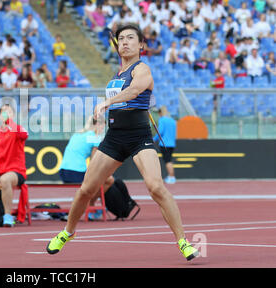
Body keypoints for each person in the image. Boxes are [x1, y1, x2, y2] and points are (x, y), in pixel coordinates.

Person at [46, 23, 199, 261]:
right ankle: (67, 233)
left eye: (130, 38)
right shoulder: (116, 76)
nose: (125, 42)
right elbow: (122, 98)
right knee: (86, 189)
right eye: (121, 39)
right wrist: (103, 112)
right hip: (114, 137)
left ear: (141, 45)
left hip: (139, 137)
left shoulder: (142, 69)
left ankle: (183, 241)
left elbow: (136, 90)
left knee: (156, 187)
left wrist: (108, 102)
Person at [59, 116, 116, 220]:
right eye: (103, 127)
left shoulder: (77, 134)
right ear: (98, 125)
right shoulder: (94, 137)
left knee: (98, 180)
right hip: (76, 172)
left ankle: (90, 205)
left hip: (63, 172)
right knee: (109, 179)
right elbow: (95, 161)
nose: (103, 130)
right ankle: (90, 206)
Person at [153, 106, 177, 184]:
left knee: (167, 161)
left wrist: (153, 139)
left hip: (164, 144)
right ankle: (171, 176)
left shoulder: (162, 120)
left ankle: (172, 177)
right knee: (169, 160)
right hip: (172, 144)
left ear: (160, 113)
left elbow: (160, 132)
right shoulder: (172, 120)